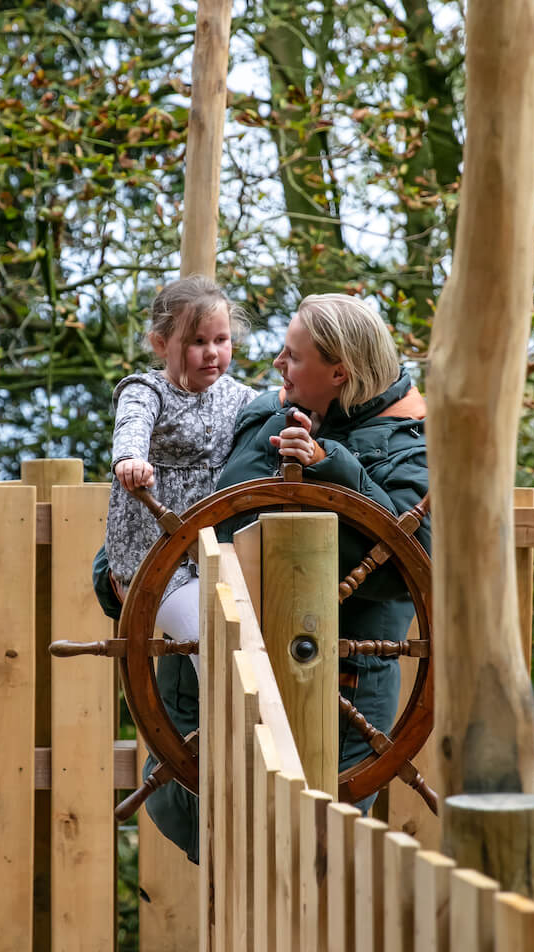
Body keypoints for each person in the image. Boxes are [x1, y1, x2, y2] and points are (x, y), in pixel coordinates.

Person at [98, 292, 430, 863]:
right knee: (226, 861)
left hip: (337, 702)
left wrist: (337, 469)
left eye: (292, 356)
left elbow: (414, 566)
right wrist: (119, 576)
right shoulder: (260, 414)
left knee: (317, 863)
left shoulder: (409, 452)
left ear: (338, 372)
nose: (277, 364)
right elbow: (191, 508)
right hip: (202, 693)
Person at [101, 276, 256, 658]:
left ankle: (227, 716)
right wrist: (131, 460)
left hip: (215, 554)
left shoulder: (235, 395)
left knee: (240, 640)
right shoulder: (146, 390)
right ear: (160, 343)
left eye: (221, 340)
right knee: (210, 635)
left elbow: (272, 414)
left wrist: (304, 422)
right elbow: (132, 424)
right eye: (197, 342)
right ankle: (230, 712)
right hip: (154, 558)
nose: (212, 353)